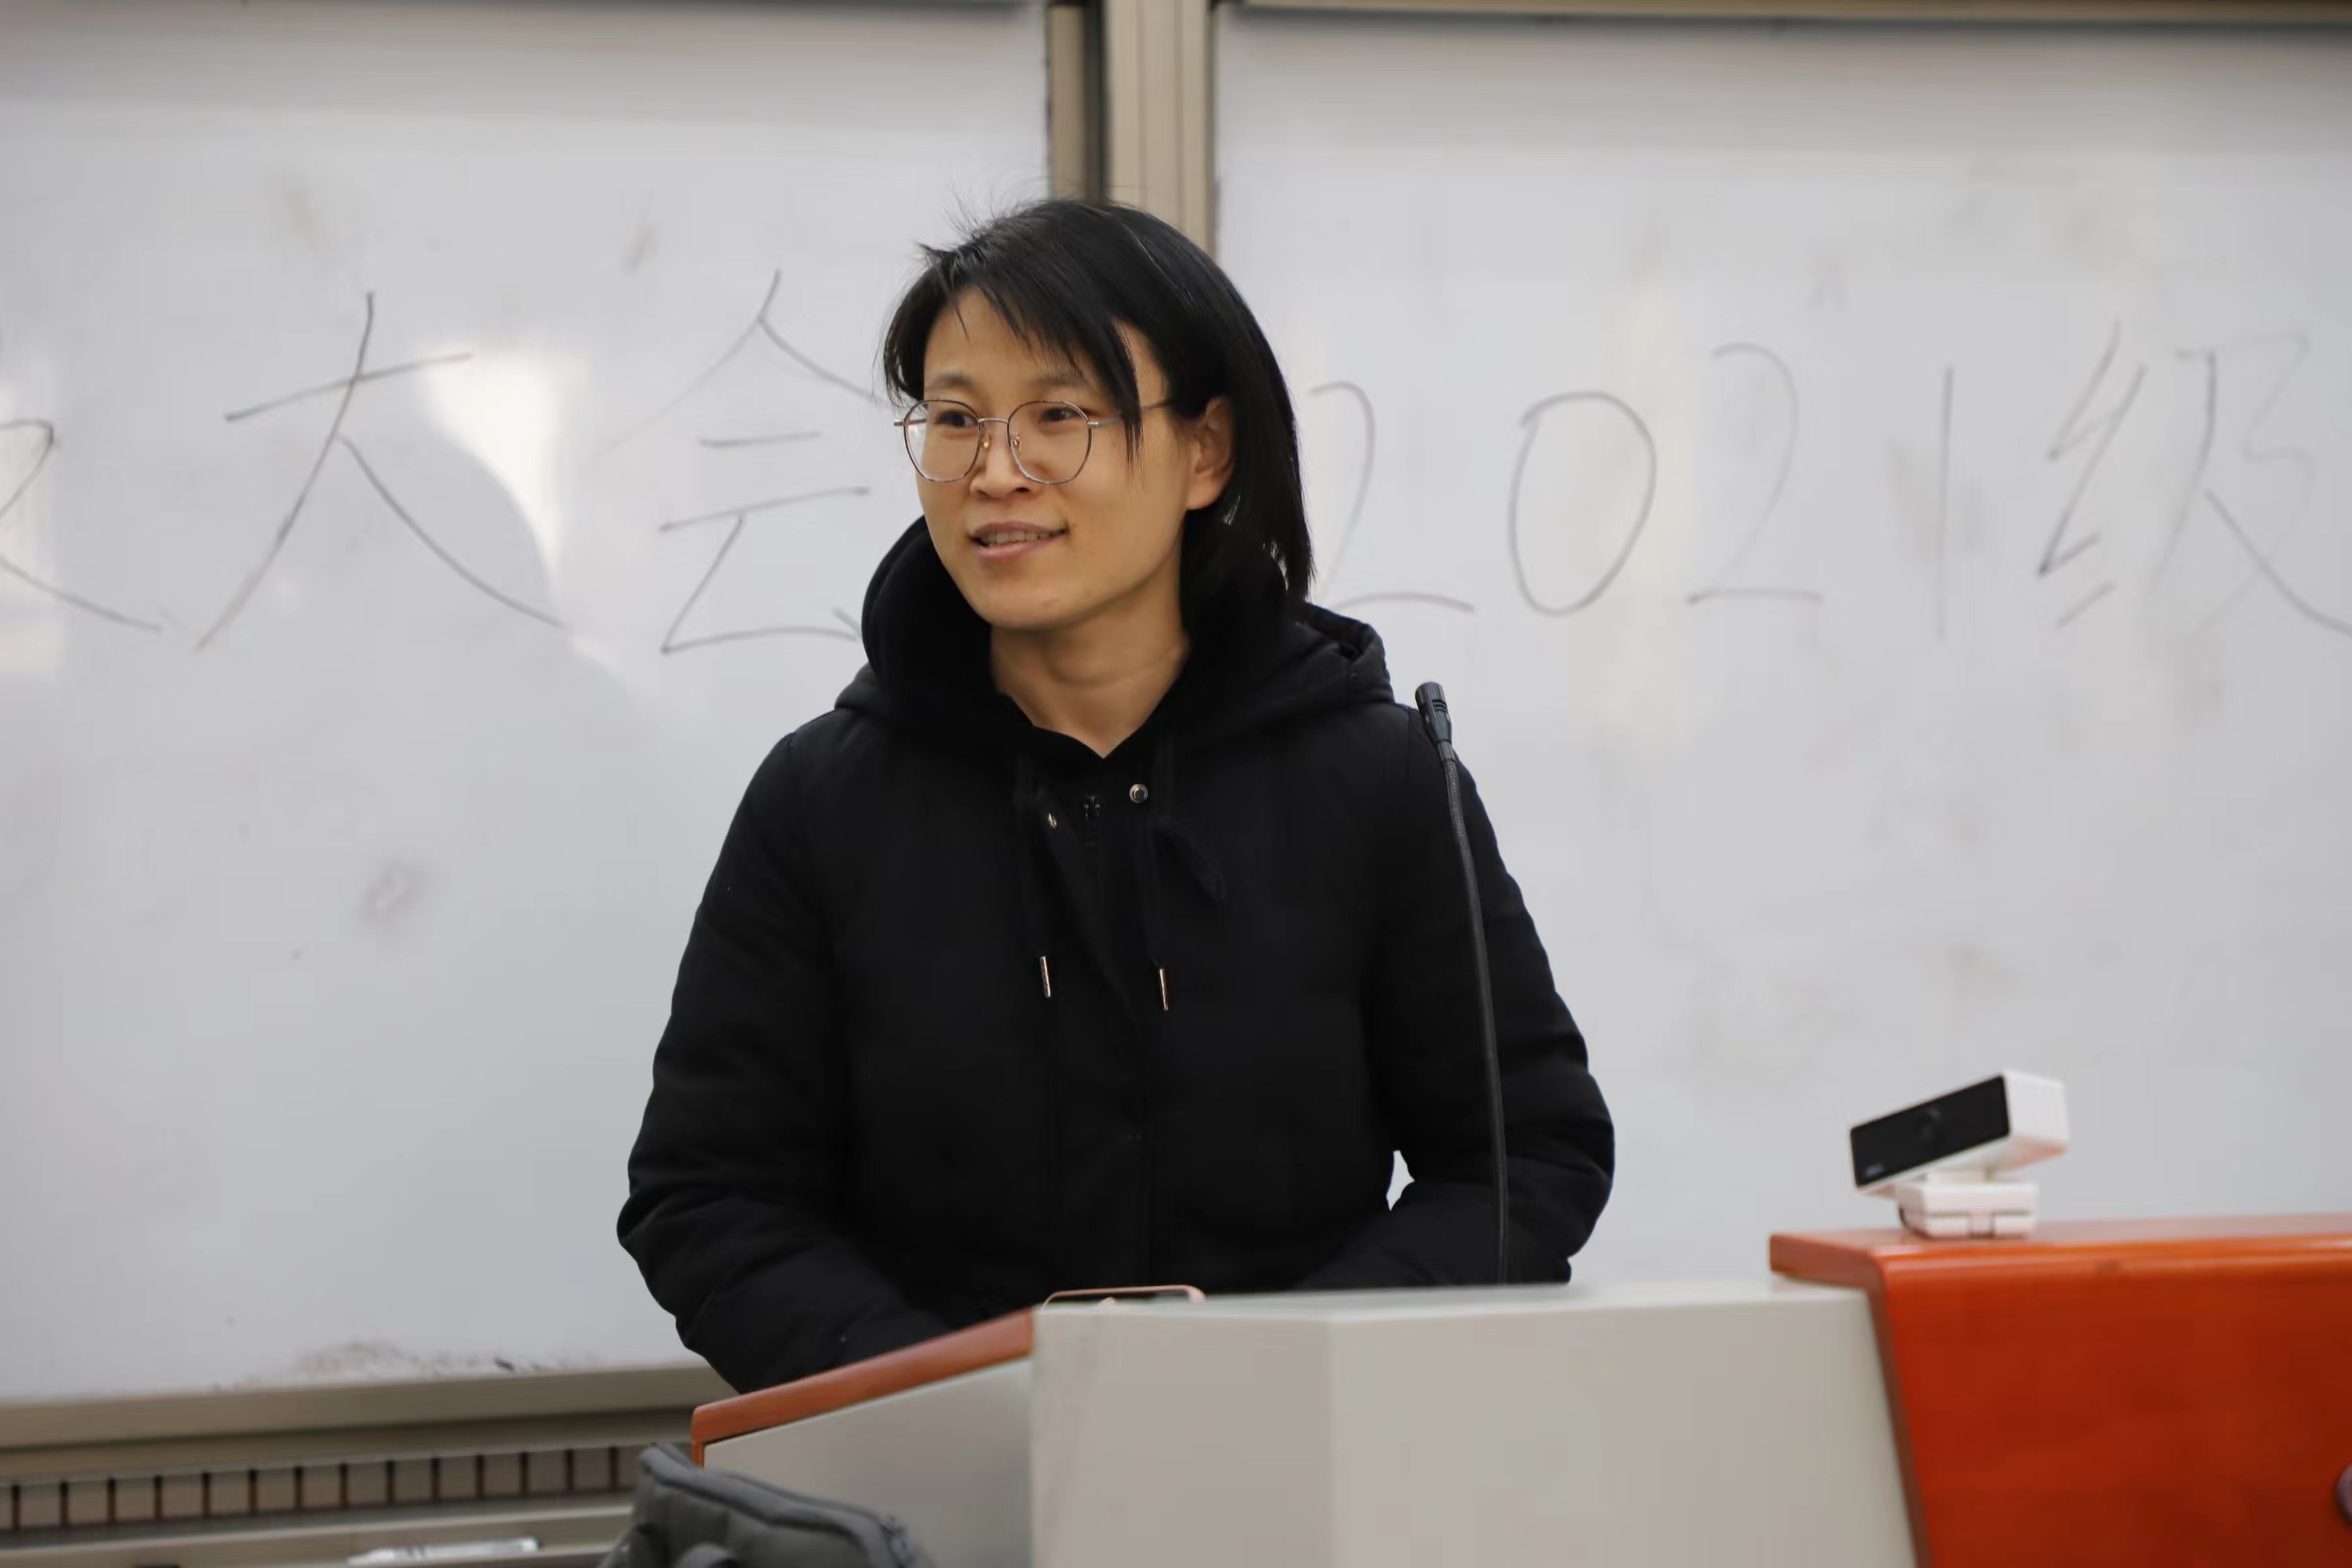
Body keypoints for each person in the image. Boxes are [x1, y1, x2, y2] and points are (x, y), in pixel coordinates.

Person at [618, 199, 1613, 1394]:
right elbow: (710, 1196)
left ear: (1207, 452)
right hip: (938, 1465)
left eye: (1060, 415)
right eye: (956, 419)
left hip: (1301, 1452)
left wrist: (1289, 1374)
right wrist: (947, 1399)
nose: (995, 471)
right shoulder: (824, 801)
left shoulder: (1378, 778)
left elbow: (1524, 1155)